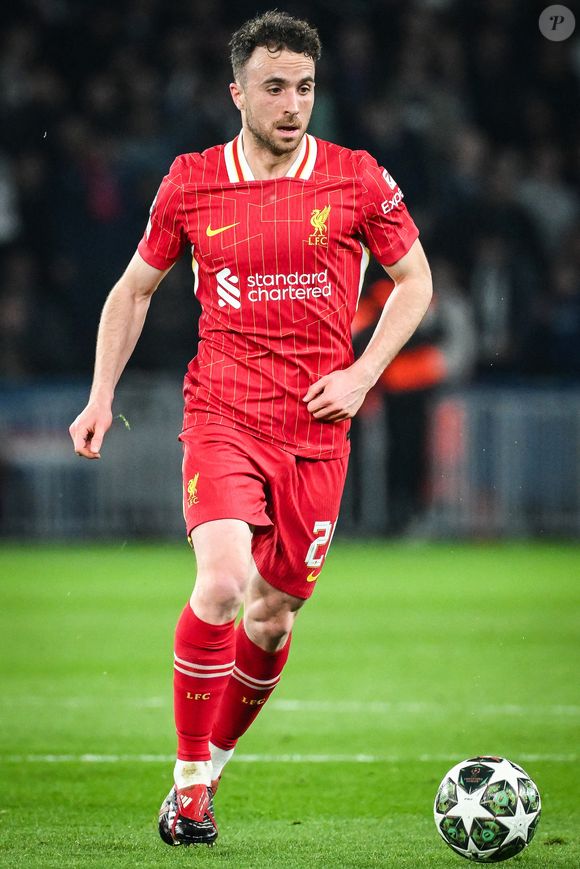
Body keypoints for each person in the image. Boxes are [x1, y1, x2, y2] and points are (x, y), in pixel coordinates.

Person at [69, 10, 432, 848]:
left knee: (271, 620)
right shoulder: (193, 180)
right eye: (274, 87)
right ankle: (189, 787)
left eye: (304, 87)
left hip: (315, 432)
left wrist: (360, 374)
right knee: (226, 582)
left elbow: (413, 282)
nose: (292, 102)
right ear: (237, 92)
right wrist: (98, 396)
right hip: (223, 415)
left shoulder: (357, 179)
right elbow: (134, 290)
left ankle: (210, 772)